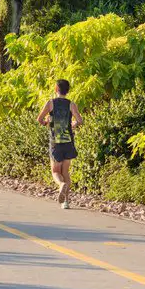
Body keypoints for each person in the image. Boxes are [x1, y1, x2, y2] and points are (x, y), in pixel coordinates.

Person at [37, 79, 82, 209]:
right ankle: (66, 202)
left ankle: (61, 185)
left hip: (55, 141)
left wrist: (46, 123)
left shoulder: (50, 103)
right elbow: (79, 120)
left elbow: (39, 119)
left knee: (55, 171)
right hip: (68, 141)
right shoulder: (71, 104)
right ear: (67, 90)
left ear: (56, 89)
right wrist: (73, 124)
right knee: (66, 172)